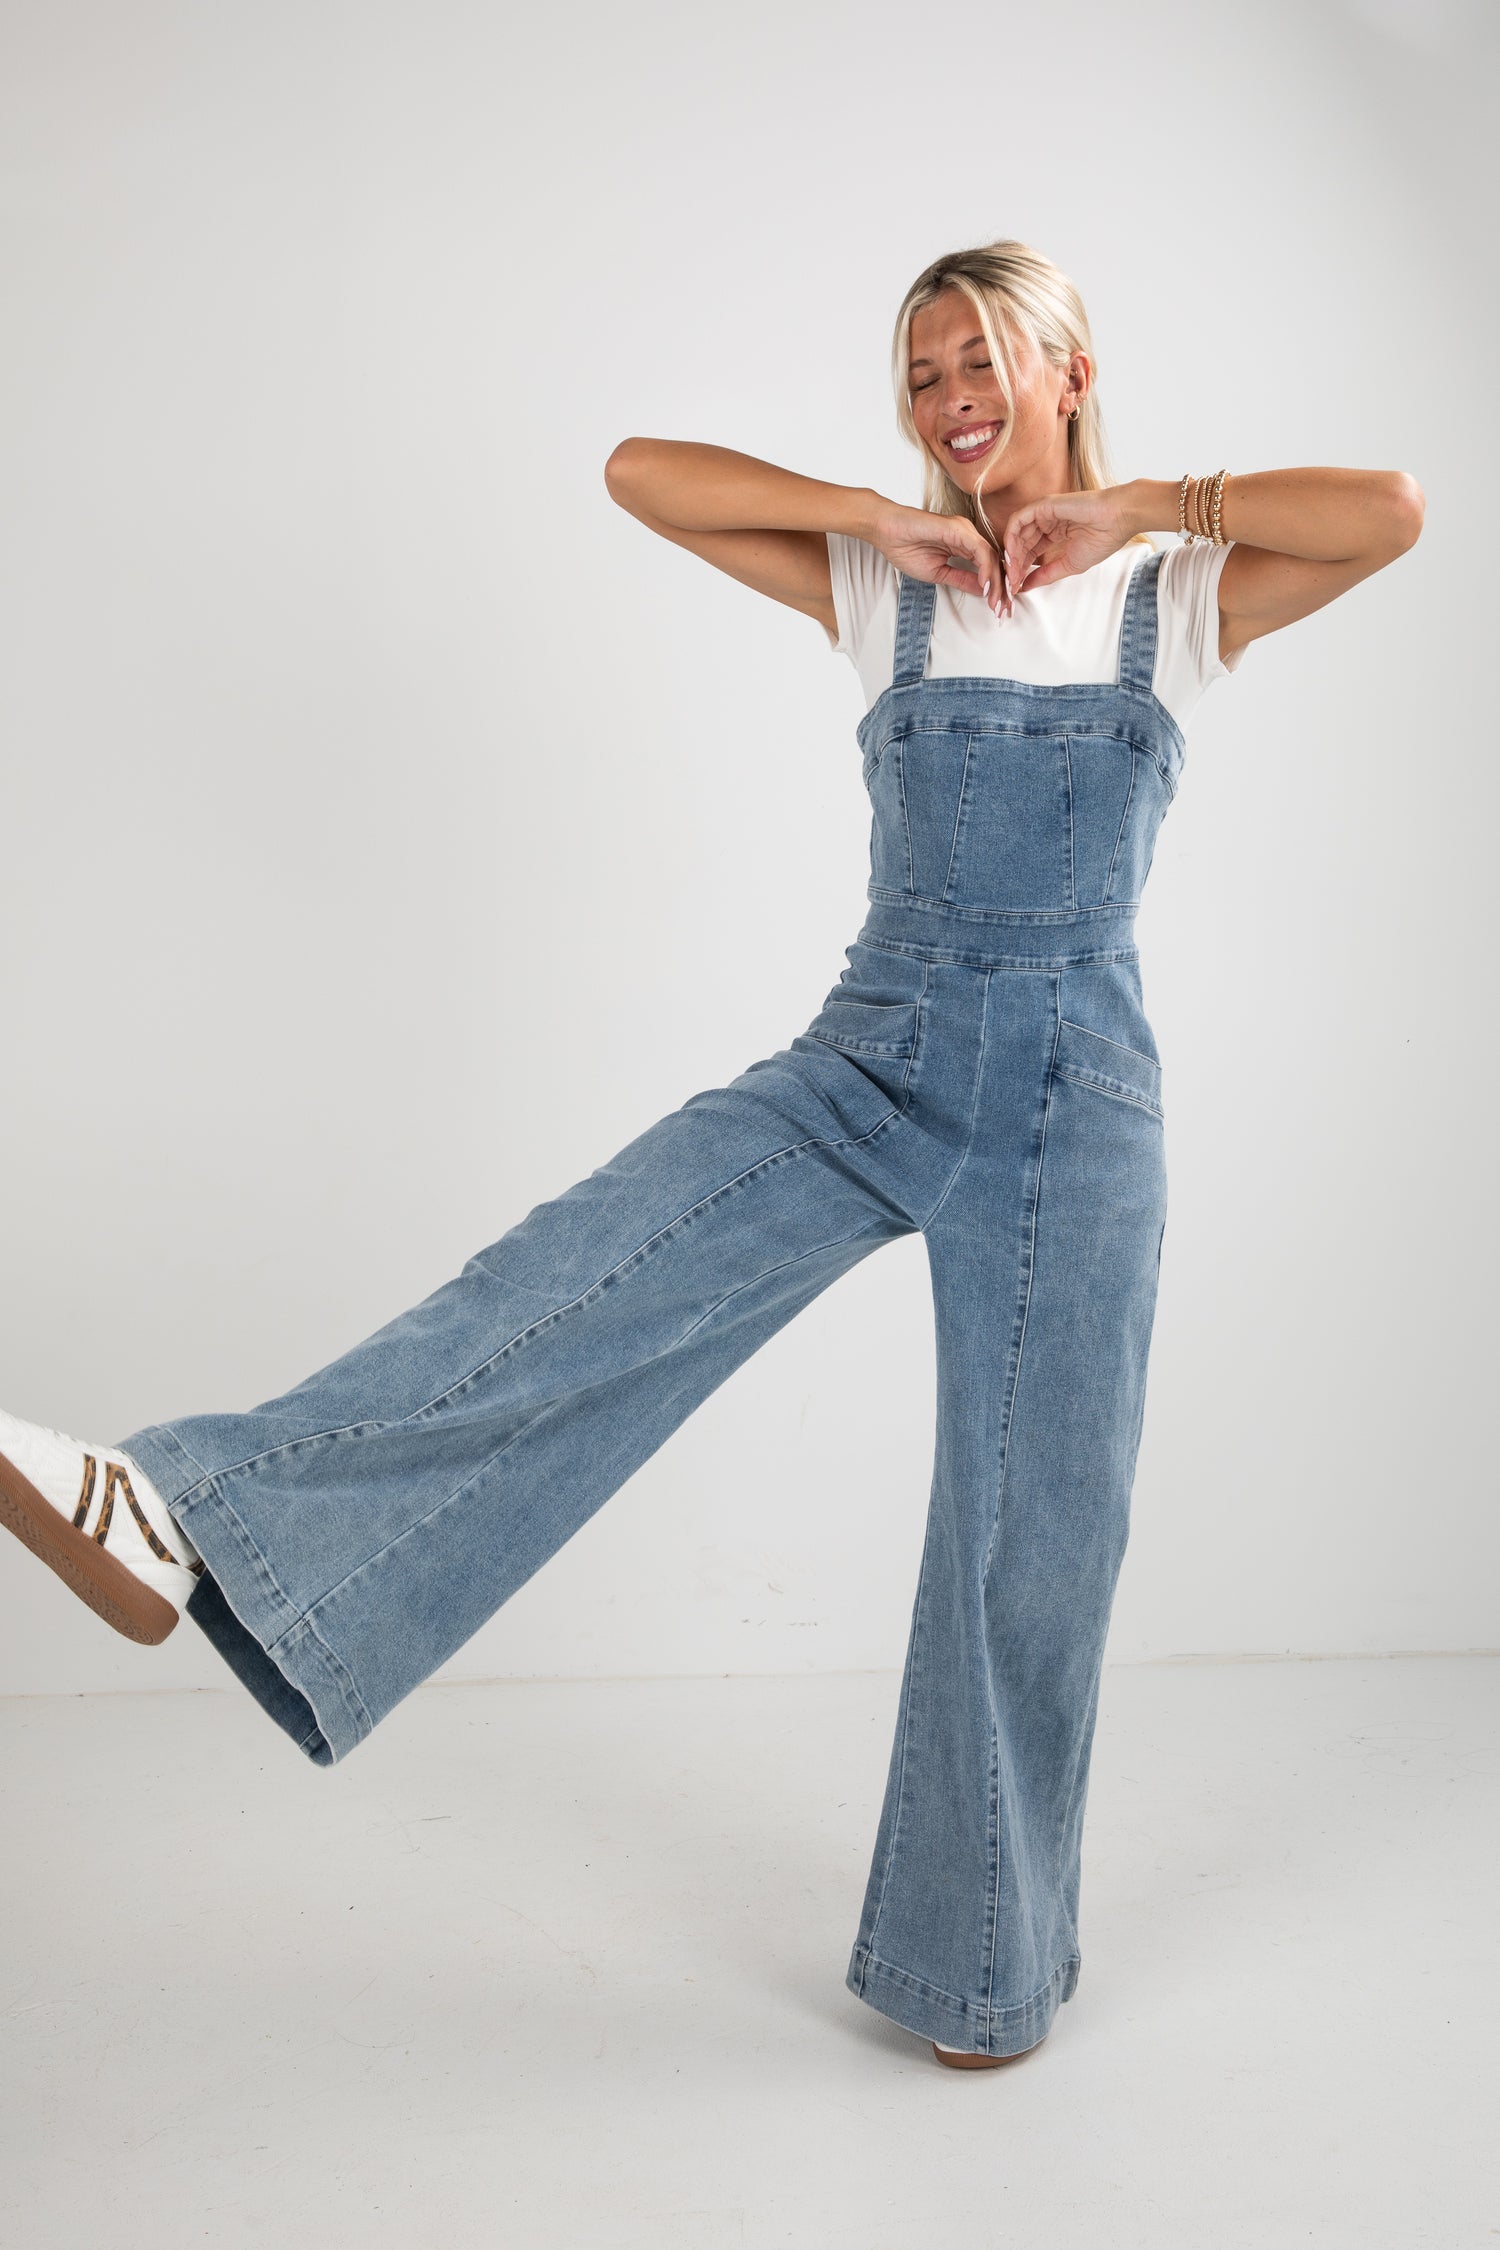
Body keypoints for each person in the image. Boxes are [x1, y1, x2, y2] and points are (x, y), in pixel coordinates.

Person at [0, 238, 1424, 2071]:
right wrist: (888, 518)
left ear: (1068, 364)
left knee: (1027, 1543)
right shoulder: (877, 587)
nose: (945, 398)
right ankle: (196, 1518)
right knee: (580, 1285)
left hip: (1082, 1095)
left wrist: (1135, 499)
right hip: (878, 1047)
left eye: (979, 357)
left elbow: (1386, 510)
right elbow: (637, 473)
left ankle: (979, 1971)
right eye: (920, 374)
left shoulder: (1177, 588)